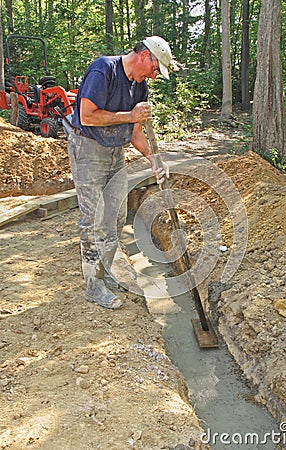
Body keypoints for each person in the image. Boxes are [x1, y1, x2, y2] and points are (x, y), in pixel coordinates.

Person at [67, 36, 172, 309]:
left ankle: (104, 272)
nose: (154, 74)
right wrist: (129, 116)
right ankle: (93, 285)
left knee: (115, 217)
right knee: (93, 220)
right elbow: (87, 115)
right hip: (88, 149)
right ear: (145, 56)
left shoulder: (140, 88)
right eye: (155, 68)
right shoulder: (104, 70)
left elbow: (136, 134)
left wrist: (154, 159)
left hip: (115, 152)